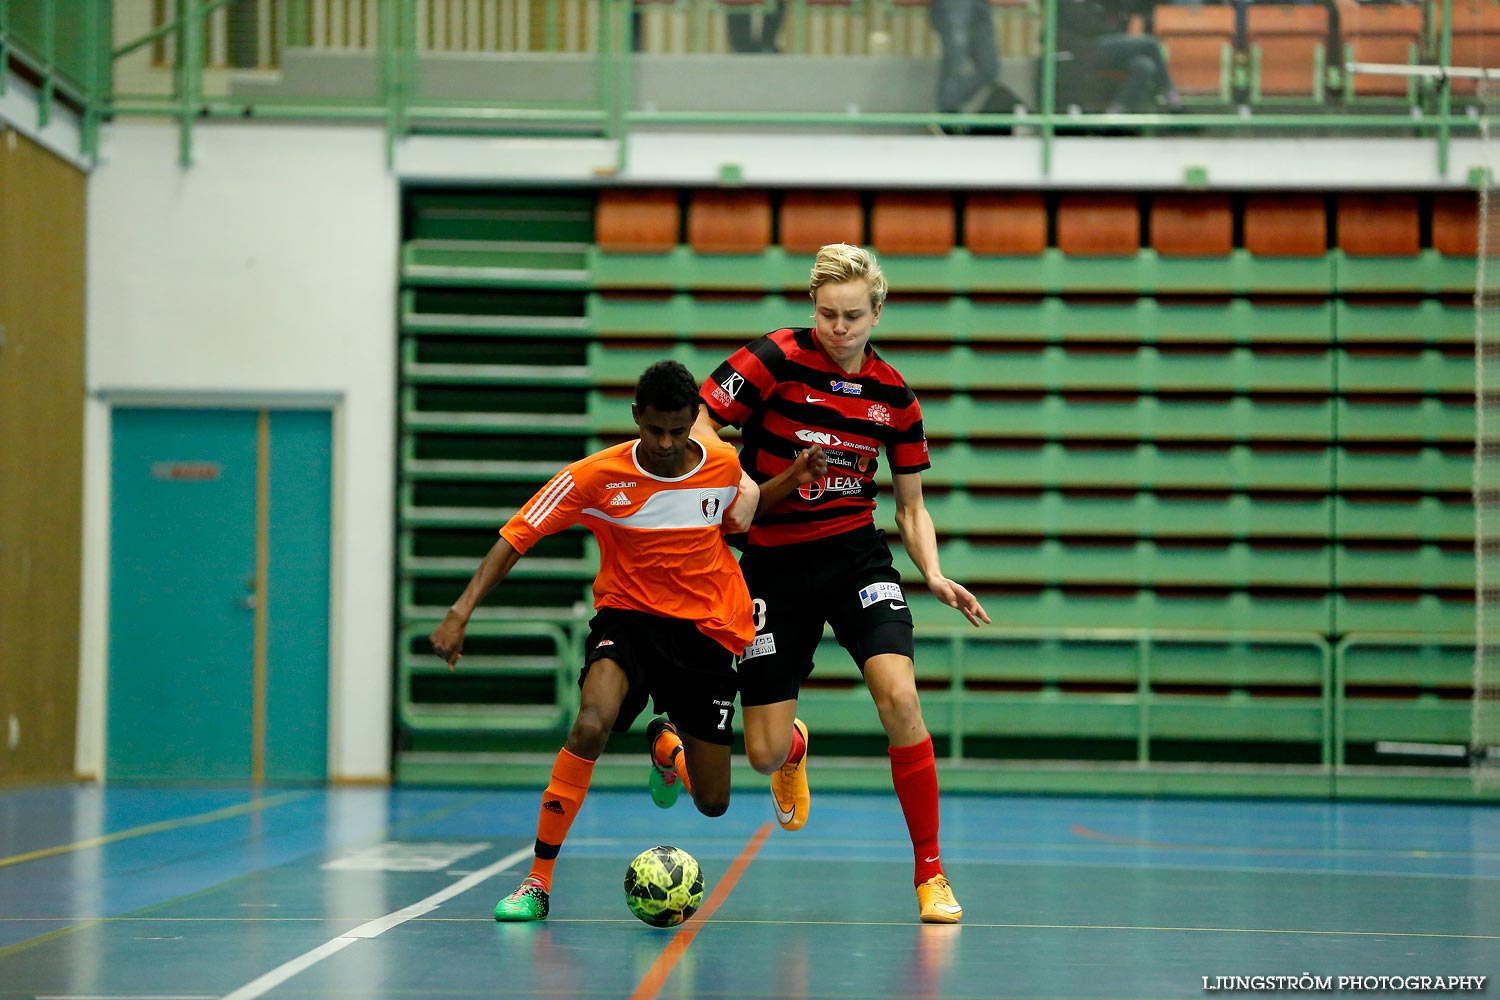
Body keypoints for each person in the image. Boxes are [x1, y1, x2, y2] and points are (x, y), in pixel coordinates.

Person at [694, 244, 991, 924]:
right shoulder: (773, 357)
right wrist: (734, 477)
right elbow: (705, 421)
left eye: (853, 316)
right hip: (773, 563)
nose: (838, 328)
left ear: (877, 313)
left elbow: (911, 505)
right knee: (764, 753)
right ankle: (795, 743)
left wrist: (934, 573)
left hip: (856, 560)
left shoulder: (896, 397)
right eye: (827, 314)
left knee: (900, 697)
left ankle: (931, 874)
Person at [430, 360, 758, 922]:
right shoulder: (594, 476)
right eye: (654, 429)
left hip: (702, 633)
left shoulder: (724, 466)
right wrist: (460, 611)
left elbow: (735, 525)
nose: (665, 442)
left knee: (713, 802)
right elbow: (516, 535)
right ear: (636, 417)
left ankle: (667, 745)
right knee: (590, 725)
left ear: (693, 423)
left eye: (678, 431)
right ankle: (537, 881)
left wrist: (792, 481)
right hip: (627, 622)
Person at [1055, 0, 1182, 113]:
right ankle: (1168, 90)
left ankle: (1117, 110)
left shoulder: (1094, 4)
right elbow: (1089, 28)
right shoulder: (1064, 5)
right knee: (1151, 44)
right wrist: (1113, 32)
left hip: (1107, 45)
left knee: (1144, 66)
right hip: (1087, 49)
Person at [930, 0, 1002, 121]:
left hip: (981, 4)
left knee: (989, 67)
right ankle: (946, 113)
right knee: (955, 58)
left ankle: (947, 108)